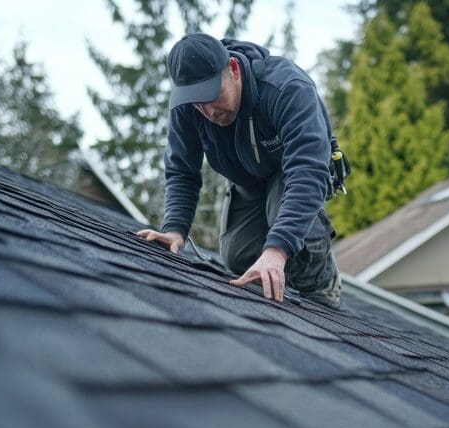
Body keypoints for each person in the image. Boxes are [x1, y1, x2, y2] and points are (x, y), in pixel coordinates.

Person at [136, 33, 341, 309]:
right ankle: (277, 268)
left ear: (233, 70)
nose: (207, 110)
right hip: (248, 179)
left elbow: (307, 171)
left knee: (279, 216)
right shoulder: (187, 109)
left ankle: (320, 282)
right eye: (197, 102)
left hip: (294, 173)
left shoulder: (288, 88)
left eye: (211, 95)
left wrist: (277, 251)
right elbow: (182, 171)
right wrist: (174, 229)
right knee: (236, 257)